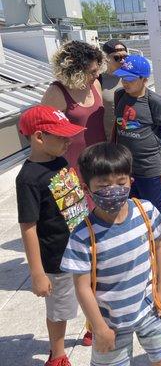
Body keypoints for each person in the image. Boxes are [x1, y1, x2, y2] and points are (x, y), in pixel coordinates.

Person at [61, 142, 161, 366]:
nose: (113, 190)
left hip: (150, 308)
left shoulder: (146, 211)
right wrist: (99, 328)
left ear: (130, 181)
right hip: (110, 322)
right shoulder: (83, 235)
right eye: (103, 185)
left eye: (121, 182)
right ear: (86, 189)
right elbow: (82, 287)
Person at [16, 105, 90, 366]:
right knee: (60, 307)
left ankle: (93, 324)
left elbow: (69, 196)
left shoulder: (59, 160)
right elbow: (29, 227)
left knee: (92, 289)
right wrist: (37, 273)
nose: (68, 141)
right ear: (38, 137)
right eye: (62, 136)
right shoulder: (28, 179)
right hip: (56, 257)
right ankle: (57, 354)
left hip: (83, 244)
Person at [112, 54, 161, 265]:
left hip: (149, 166)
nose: (125, 82)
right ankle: (144, 243)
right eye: (122, 77)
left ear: (144, 79)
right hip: (126, 166)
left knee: (158, 210)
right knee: (131, 206)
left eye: (130, 79)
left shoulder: (154, 102)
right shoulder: (120, 96)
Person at [41, 41, 107, 173]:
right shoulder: (56, 92)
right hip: (73, 164)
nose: (98, 75)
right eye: (92, 71)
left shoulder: (95, 85)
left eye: (98, 69)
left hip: (100, 160)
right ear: (76, 71)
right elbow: (44, 134)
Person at [100, 39, 128, 139]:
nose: (123, 60)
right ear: (106, 58)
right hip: (109, 140)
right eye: (118, 57)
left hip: (132, 137)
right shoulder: (98, 80)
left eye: (125, 57)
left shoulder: (133, 78)